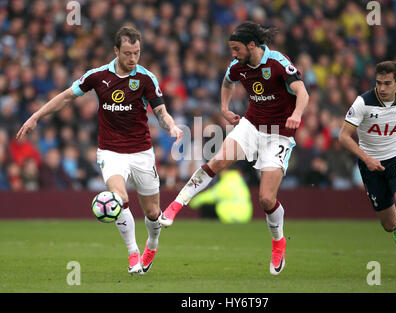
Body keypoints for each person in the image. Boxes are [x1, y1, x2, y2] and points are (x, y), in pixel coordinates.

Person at [16, 26, 183, 275]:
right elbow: (65, 97)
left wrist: (170, 125)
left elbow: (160, 111)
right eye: (128, 53)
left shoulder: (146, 78)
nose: (133, 58)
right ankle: (132, 252)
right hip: (111, 152)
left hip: (141, 152)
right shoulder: (97, 76)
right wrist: (36, 116)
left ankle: (152, 244)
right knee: (119, 198)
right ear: (116, 51)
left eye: (137, 52)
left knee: (153, 212)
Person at [159, 21, 309, 276]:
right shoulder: (237, 66)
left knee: (266, 199)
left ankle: (278, 242)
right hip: (251, 125)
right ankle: (175, 205)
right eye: (231, 49)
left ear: (252, 45)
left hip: (279, 135)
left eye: (237, 49)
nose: (234, 54)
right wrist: (225, 108)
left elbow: (302, 91)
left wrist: (297, 113)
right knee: (216, 162)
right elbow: (227, 83)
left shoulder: (278, 63)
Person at [339, 61, 396, 278]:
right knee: (389, 224)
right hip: (369, 164)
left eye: (387, 83)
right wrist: (367, 158)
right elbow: (343, 136)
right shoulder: (363, 102)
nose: (382, 87)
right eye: (379, 83)